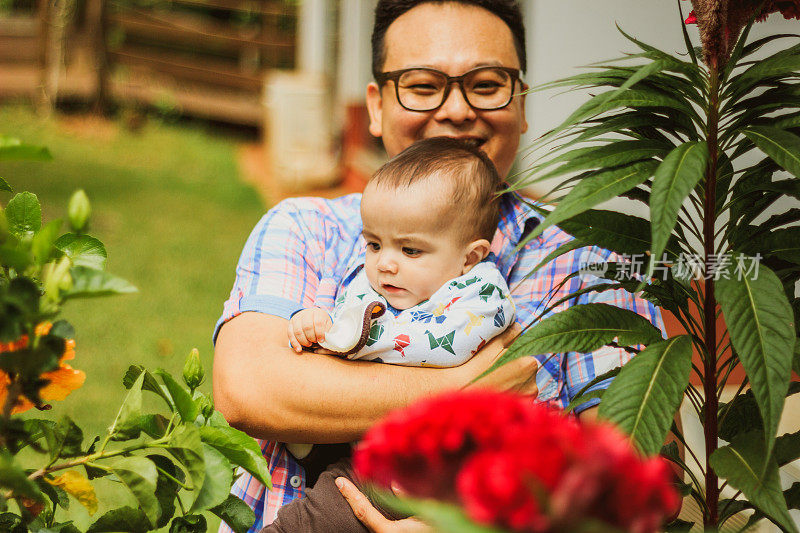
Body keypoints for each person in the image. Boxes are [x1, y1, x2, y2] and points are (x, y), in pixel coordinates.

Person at [212, 1, 662, 531]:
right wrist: (471, 389)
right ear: (375, 106)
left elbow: (629, 476)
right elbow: (249, 389)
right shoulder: (307, 226)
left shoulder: (589, 261)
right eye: (423, 86)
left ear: (521, 105)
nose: (455, 110)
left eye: (487, 85)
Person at [269, 136, 516, 533]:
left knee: (322, 515)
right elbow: (347, 318)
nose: (385, 263)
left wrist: (344, 342)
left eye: (411, 251)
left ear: (470, 257)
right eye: (373, 243)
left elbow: (440, 349)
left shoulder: (482, 295)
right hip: (367, 441)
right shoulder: (391, 286)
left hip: (422, 471)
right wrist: (316, 324)